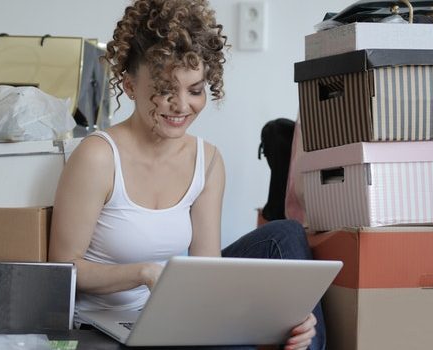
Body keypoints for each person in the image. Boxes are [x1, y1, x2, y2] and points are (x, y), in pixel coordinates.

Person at [49, 1, 324, 349]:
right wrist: (143, 273)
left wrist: (281, 316)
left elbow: (209, 271)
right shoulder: (98, 157)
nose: (181, 106)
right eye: (165, 90)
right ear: (130, 85)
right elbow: (63, 270)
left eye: (195, 90)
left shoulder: (207, 160)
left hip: (177, 318)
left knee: (285, 238)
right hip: (105, 329)